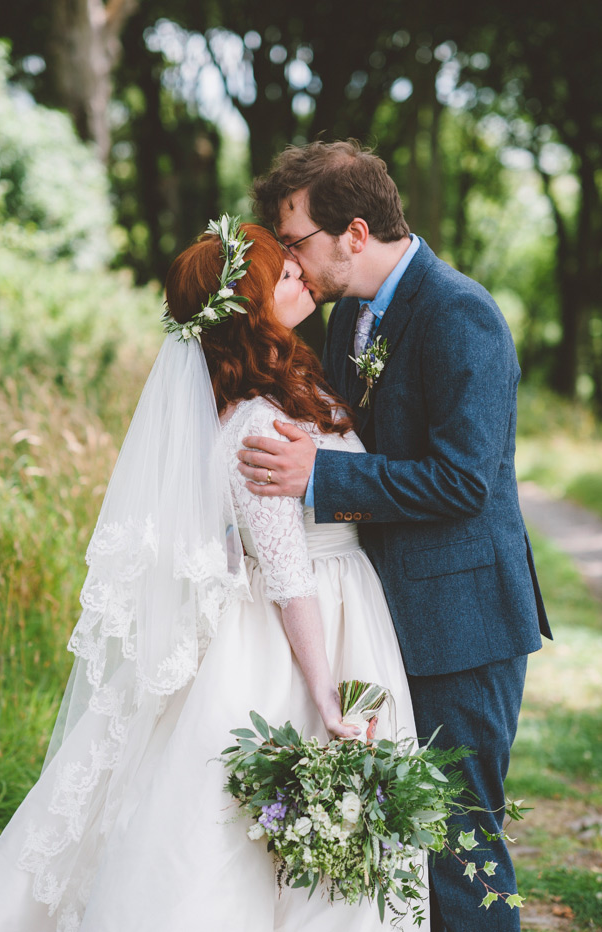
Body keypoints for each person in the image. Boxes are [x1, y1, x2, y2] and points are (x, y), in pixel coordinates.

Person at [0, 218, 428, 931]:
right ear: (249, 313)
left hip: (339, 607)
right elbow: (285, 574)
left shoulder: (287, 390)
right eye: (281, 276)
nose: (299, 276)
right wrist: (326, 693)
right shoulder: (256, 424)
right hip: (299, 637)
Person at [240, 141, 552, 932]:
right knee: (407, 845)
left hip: (461, 624)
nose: (295, 264)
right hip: (382, 621)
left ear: (353, 231)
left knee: (463, 843)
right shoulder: (350, 317)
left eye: (298, 242)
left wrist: (319, 478)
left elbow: (462, 482)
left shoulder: (460, 312)